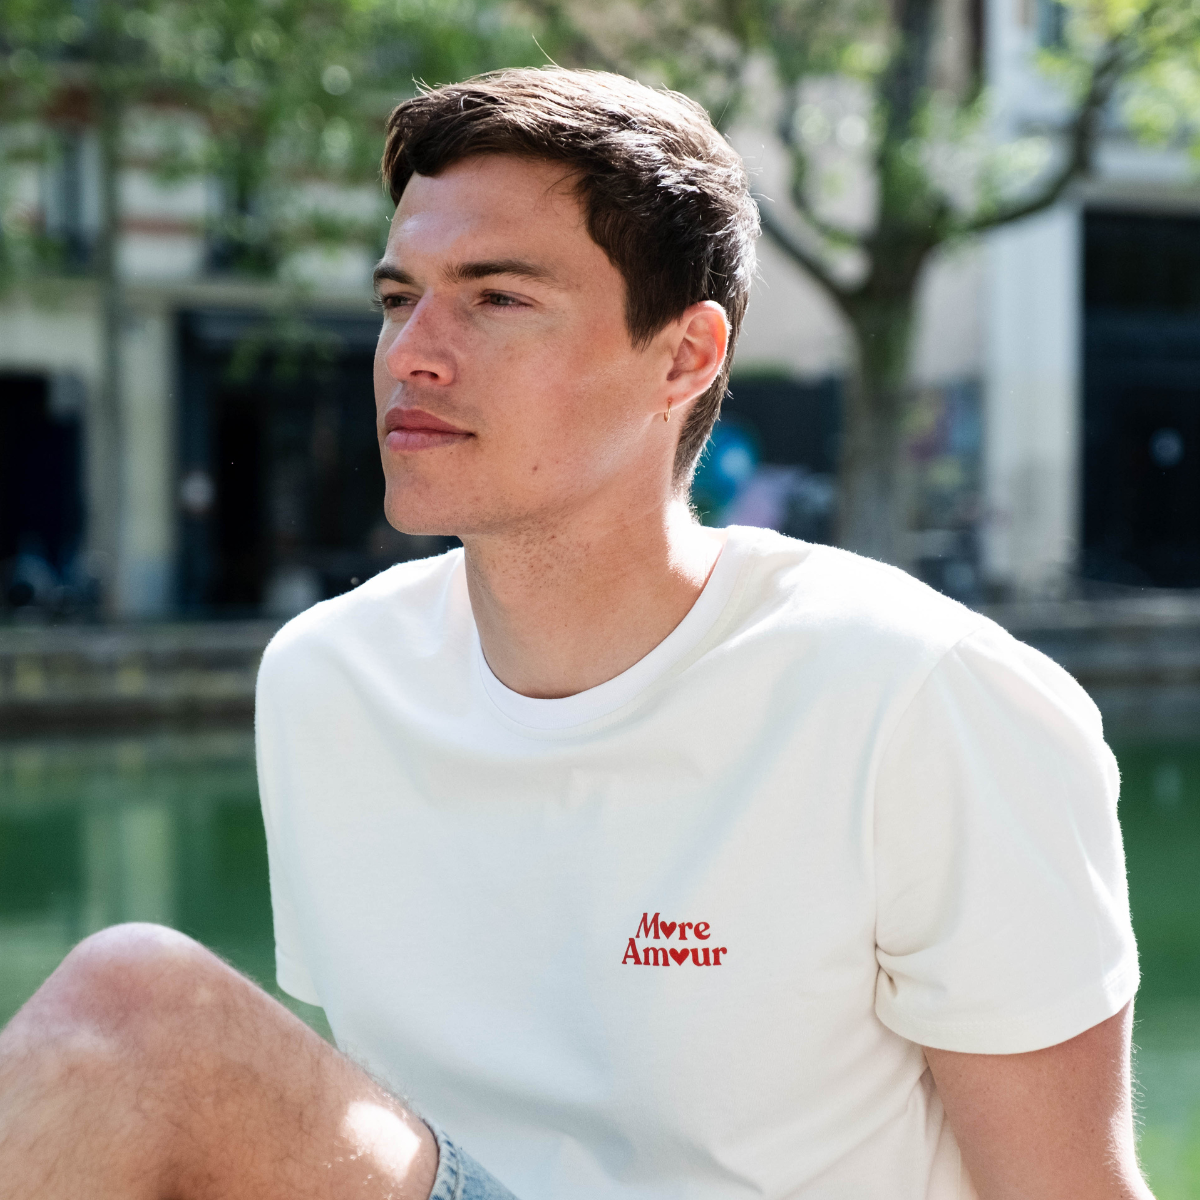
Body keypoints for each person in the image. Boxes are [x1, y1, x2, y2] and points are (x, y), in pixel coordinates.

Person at [0, 68, 1148, 1200]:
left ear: (685, 356)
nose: (411, 353)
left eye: (497, 299)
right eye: (398, 299)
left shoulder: (925, 697)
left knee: (136, 1007)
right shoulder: (327, 679)